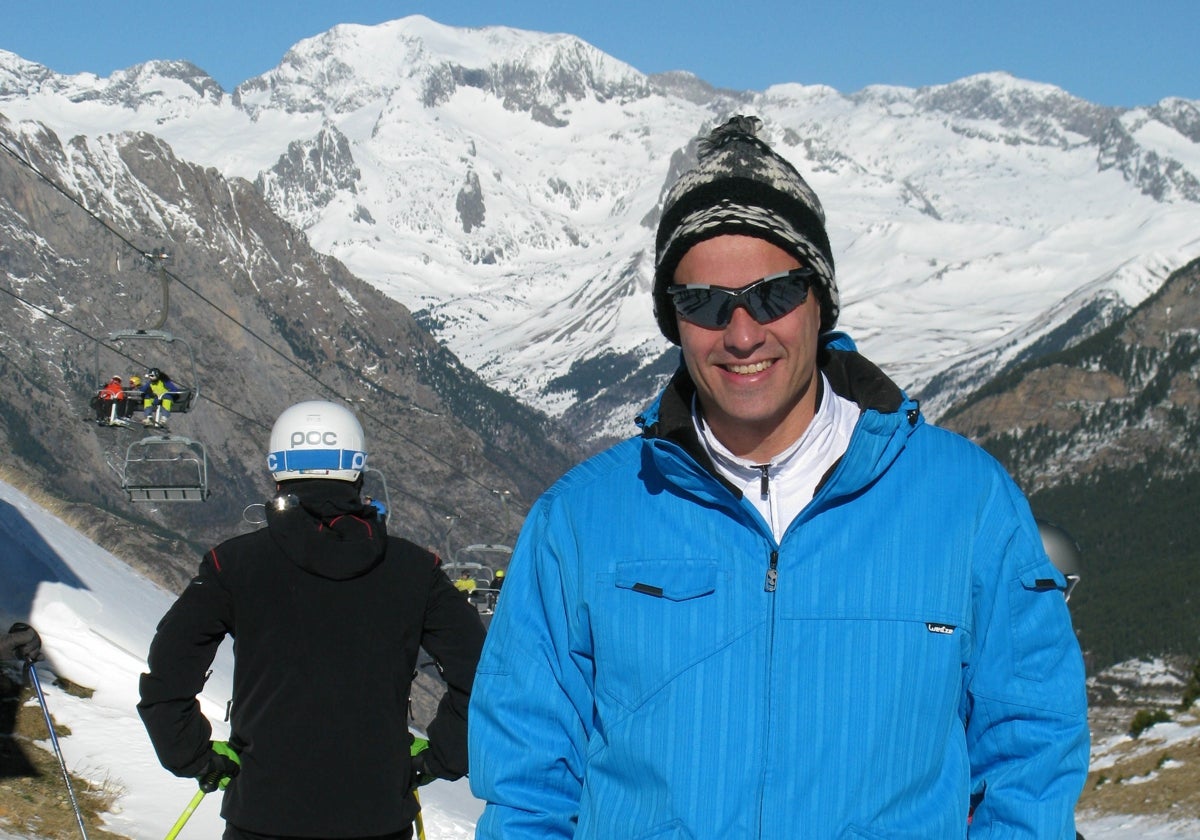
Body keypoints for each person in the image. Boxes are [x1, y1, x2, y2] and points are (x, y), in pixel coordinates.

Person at [468, 116, 1089, 838]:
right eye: (702, 302)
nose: (741, 332)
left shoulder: (966, 504)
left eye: (773, 295)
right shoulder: (579, 522)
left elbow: (1030, 755)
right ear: (672, 320)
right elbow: (528, 789)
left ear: (819, 299)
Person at [138, 399, 486, 839]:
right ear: (358, 471)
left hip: (262, 814)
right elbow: (482, 672)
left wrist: (196, 757)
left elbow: (169, 669)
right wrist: (440, 757)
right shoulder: (416, 571)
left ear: (277, 471)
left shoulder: (234, 565)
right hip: (378, 814)